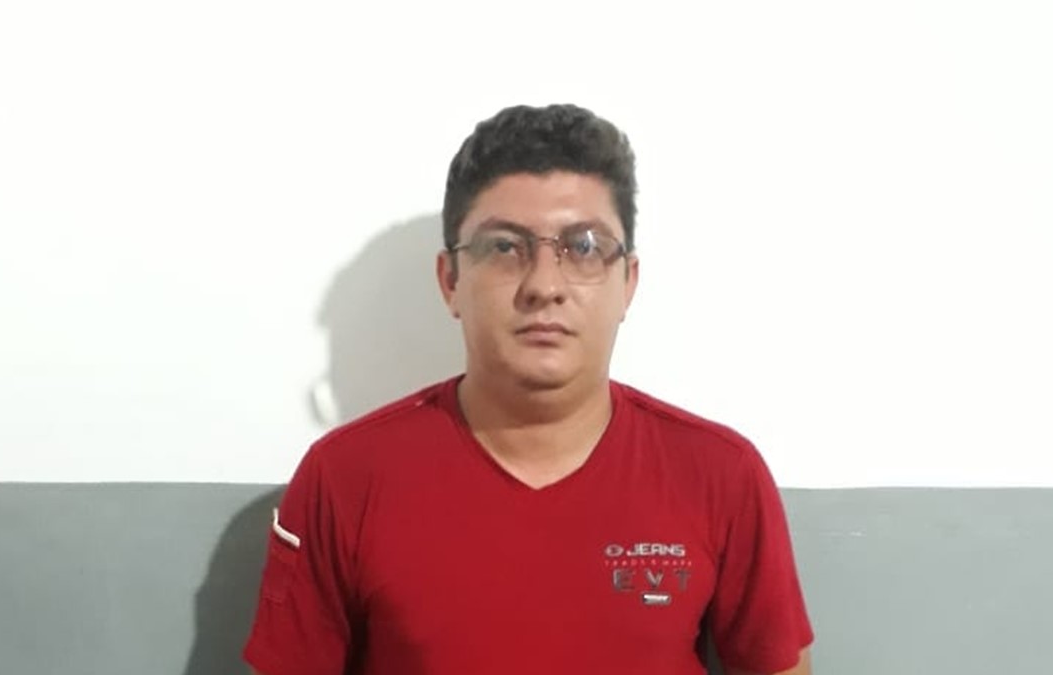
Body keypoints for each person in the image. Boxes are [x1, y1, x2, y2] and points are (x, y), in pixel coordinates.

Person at [243, 104, 815, 675]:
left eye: (584, 246)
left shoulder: (720, 475)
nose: (544, 285)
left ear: (628, 283)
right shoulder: (343, 479)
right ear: (450, 281)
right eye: (503, 247)